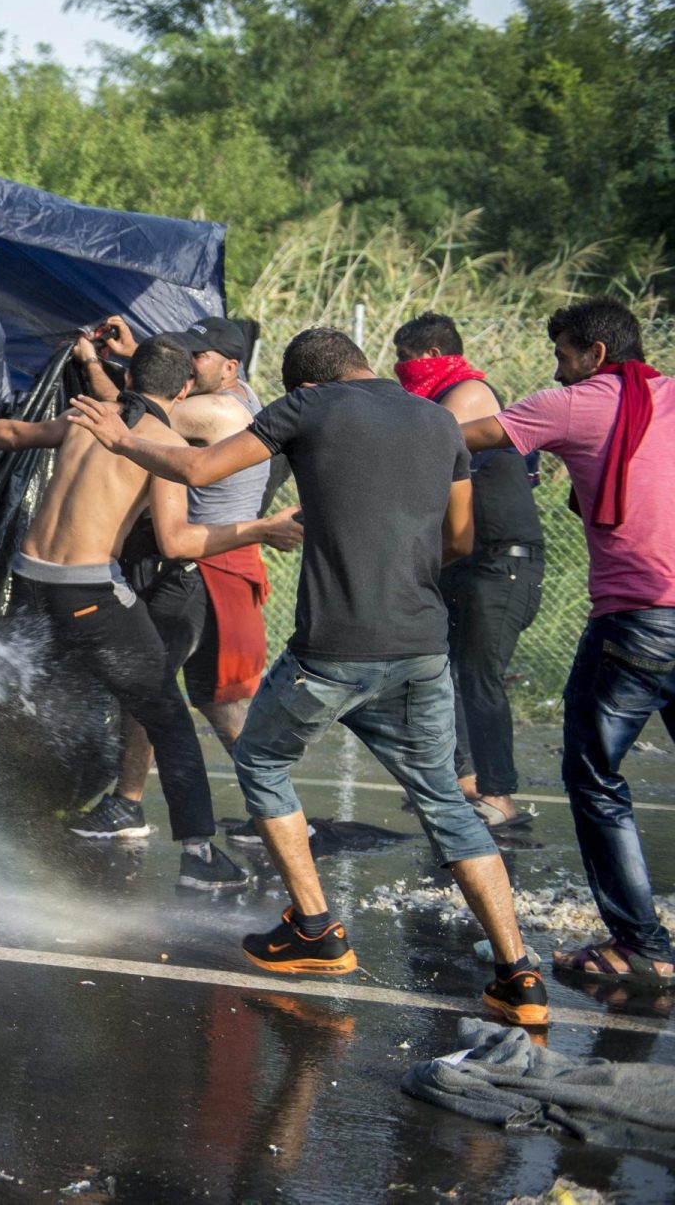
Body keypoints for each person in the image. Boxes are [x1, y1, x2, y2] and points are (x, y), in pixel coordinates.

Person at [67, 328, 547, 1028]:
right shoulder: (438, 419)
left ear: (305, 387)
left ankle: (316, 928)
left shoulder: (309, 408)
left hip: (334, 648)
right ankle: (518, 975)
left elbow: (198, 471)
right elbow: (460, 540)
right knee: (443, 798)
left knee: (262, 759)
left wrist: (121, 437)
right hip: (418, 645)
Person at [0, 334, 301, 891]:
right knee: (169, 717)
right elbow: (177, 543)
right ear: (183, 390)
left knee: (28, 688)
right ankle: (200, 858)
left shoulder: (90, 416)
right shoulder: (160, 444)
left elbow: (12, 434)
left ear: (128, 379)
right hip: (86, 593)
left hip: (29, 577)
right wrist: (261, 528)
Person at [454, 297, 675, 989]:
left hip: (636, 618)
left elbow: (465, 435)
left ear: (595, 355)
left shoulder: (580, 402)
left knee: (595, 778)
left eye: (563, 357)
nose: (559, 371)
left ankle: (642, 946)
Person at [65, 316, 278, 839]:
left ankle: (130, 805)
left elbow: (134, 417)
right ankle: (272, 808)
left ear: (229, 368)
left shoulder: (214, 409)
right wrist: (138, 352)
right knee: (210, 698)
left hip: (204, 567)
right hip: (214, 566)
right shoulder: (243, 395)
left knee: (160, 687)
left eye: (198, 356)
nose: (190, 363)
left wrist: (93, 363)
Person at [393, 312, 546, 828]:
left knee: (479, 677)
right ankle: (462, 782)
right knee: (440, 672)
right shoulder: (435, 400)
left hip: (502, 561)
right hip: (462, 559)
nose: (401, 372)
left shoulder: (472, 391)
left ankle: (500, 797)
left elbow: (425, 448)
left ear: (432, 356)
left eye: (406, 361)